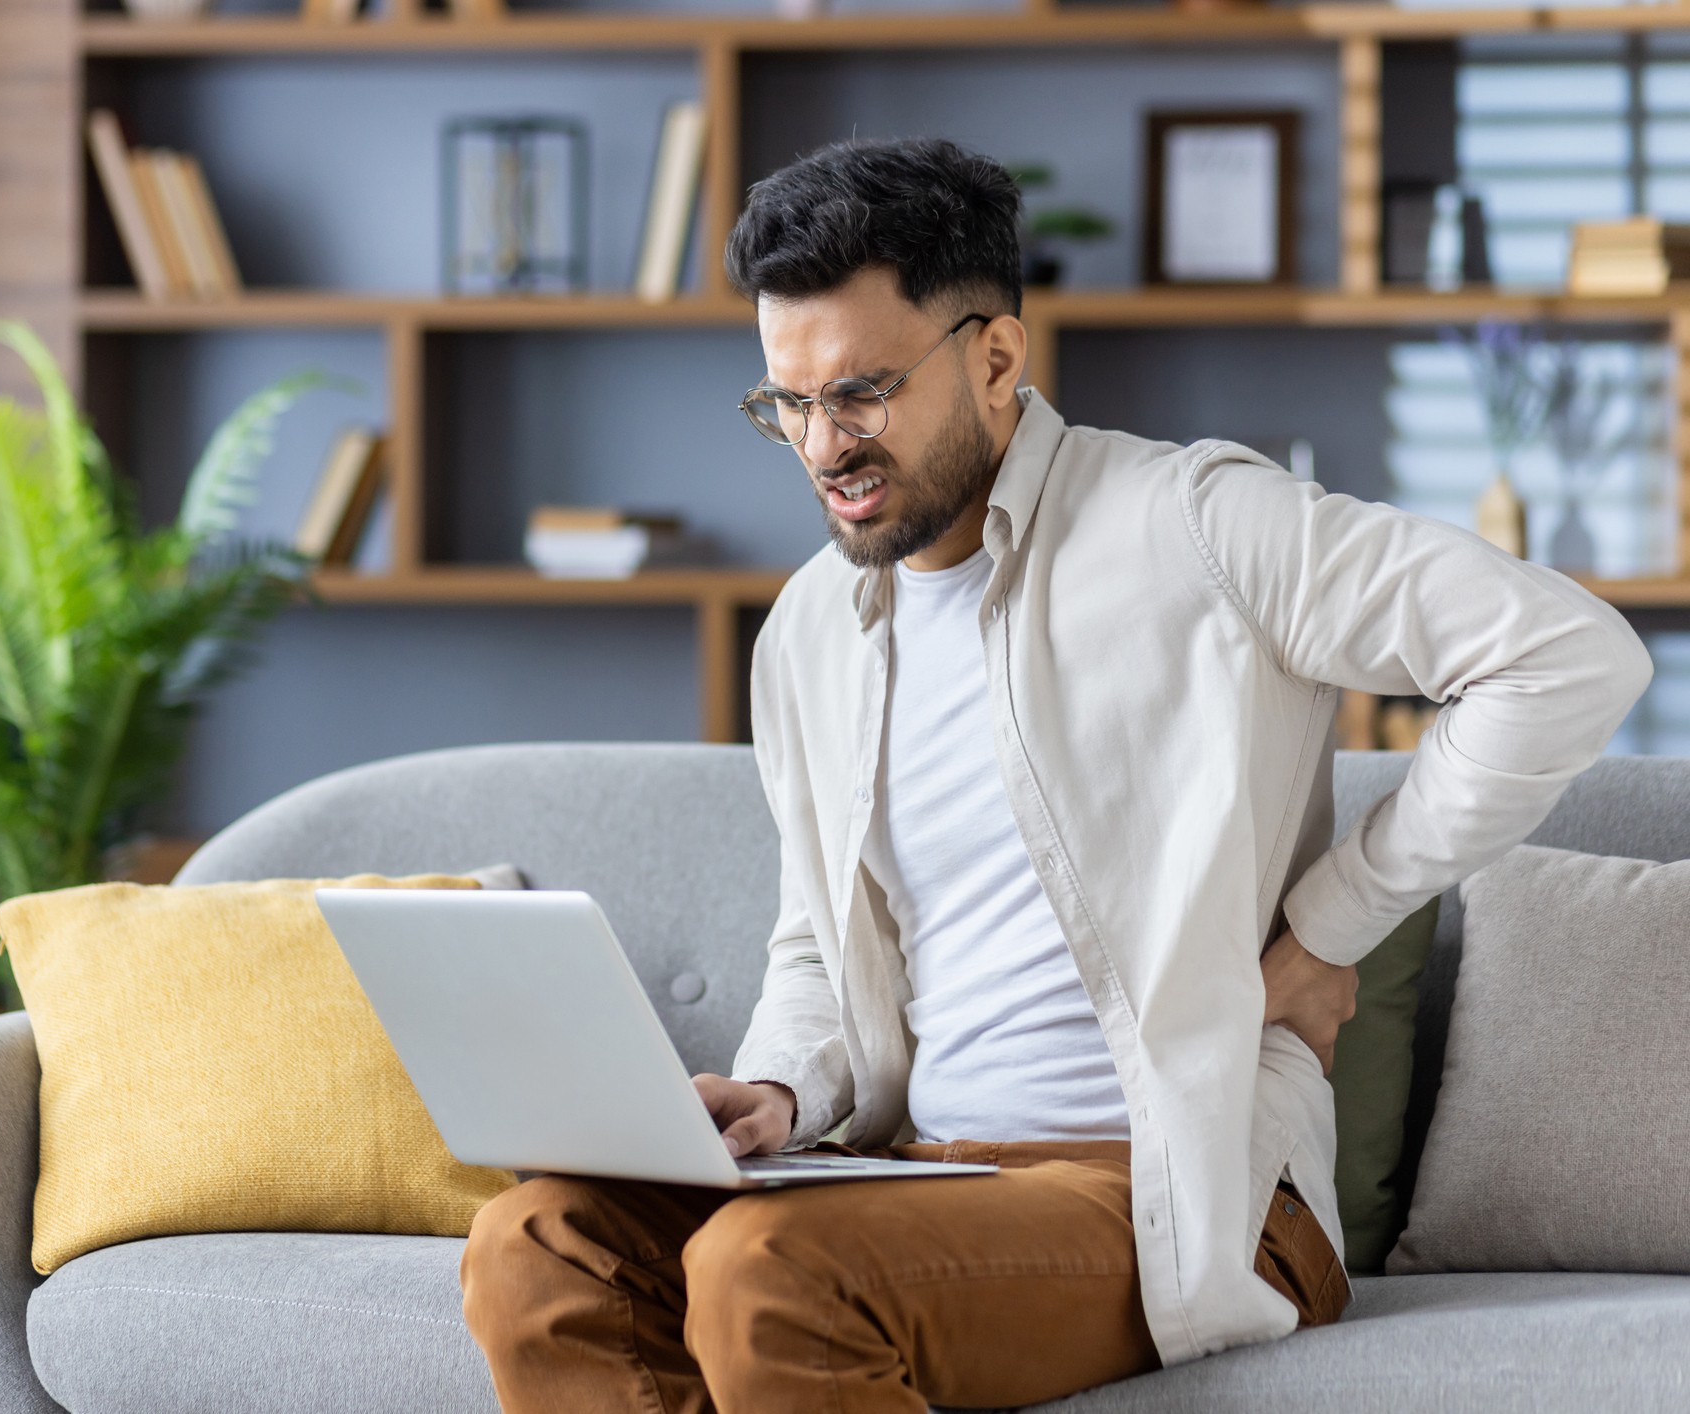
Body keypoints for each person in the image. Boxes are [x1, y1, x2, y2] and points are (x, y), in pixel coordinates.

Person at [459, 137, 1653, 1412]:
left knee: (768, 1273)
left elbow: (1566, 656)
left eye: (858, 392)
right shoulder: (807, 631)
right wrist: (775, 1089)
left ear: (992, 358)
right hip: (909, 1177)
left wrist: (1328, 923)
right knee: (530, 1250)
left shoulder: (1193, 523)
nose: (821, 446)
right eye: (786, 403)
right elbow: (819, 943)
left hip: (1177, 1186)